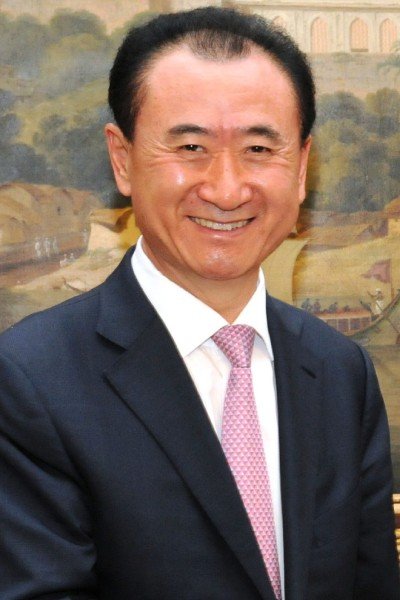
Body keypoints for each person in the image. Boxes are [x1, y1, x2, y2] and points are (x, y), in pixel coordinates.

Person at [0, 7, 398, 600]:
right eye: (191, 146)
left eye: (259, 148)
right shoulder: (29, 379)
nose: (227, 189)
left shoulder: (340, 371)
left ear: (301, 168)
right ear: (122, 159)